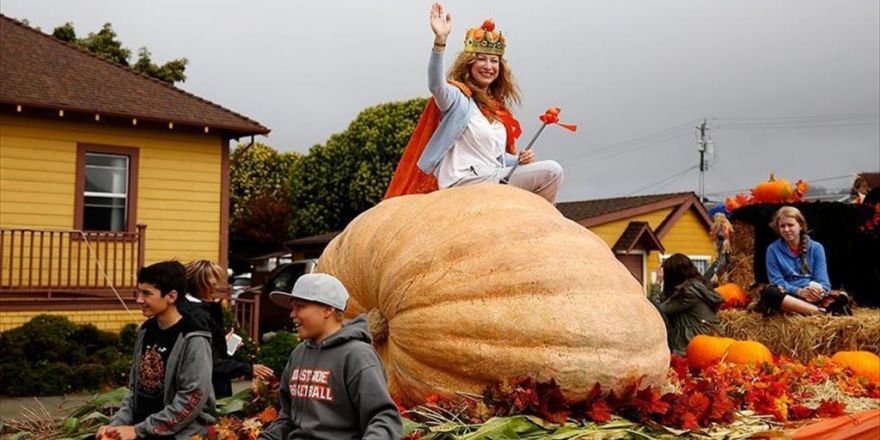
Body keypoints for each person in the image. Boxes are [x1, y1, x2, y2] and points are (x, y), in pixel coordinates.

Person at [384, 2, 564, 203]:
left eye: (494, 61)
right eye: (482, 59)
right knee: (552, 171)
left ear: (500, 69)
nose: (488, 66)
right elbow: (436, 85)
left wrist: (518, 160)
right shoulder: (457, 98)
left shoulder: (497, 112)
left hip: (492, 176)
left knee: (545, 173)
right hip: (464, 180)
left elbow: (493, 157)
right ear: (469, 64)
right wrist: (440, 40)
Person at [259, 274, 402, 440]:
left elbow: (383, 418)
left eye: (300, 306)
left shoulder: (357, 356)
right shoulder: (298, 354)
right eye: (292, 308)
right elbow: (288, 417)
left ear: (328, 309)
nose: (292, 314)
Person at [97, 261, 215, 440]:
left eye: (146, 294)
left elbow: (192, 398)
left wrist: (138, 430)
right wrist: (116, 426)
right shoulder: (146, 330)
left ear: (171, 296)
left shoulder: (193, 338)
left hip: (180, 434)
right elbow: (134, 390)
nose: (139, 300)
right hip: (142, 429)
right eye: (139, 292)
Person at [177, 260, 274, 398]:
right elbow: (208, 360)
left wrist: (223, 344)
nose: (216, 286)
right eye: (213, 281)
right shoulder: (198, 314)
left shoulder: (184, 308)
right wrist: (248, 368)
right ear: (200, 282)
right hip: (205, 390)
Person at [754, 206, 851, 316]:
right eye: (782, 226)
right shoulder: (773, 250)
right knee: (770, 293)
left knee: (841, 296)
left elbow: (823, 282)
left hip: (812, 295)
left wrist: (815, 292)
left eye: (790, 225)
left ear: (800, 225)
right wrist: (799, 292)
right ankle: (821, 312)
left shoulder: (816, 248)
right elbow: (776, 281)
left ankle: (805, 309)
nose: (786, 230)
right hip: (789, 296)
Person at [650, 254, 725, 355]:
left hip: (694, 347)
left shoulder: (687, 293)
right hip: (703, 342)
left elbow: (657, 311)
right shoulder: (696, 286)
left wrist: (657, 284)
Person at [704, 212, 734, 282]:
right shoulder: (719, 226)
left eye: (716, 217)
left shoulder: (723, 225)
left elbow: (728, 233)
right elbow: (714, 236)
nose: (715, 218)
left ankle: (725, 274)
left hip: (724, 244)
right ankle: (715, 274)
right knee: (722, 260)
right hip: (722, 244)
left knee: (728, 260)